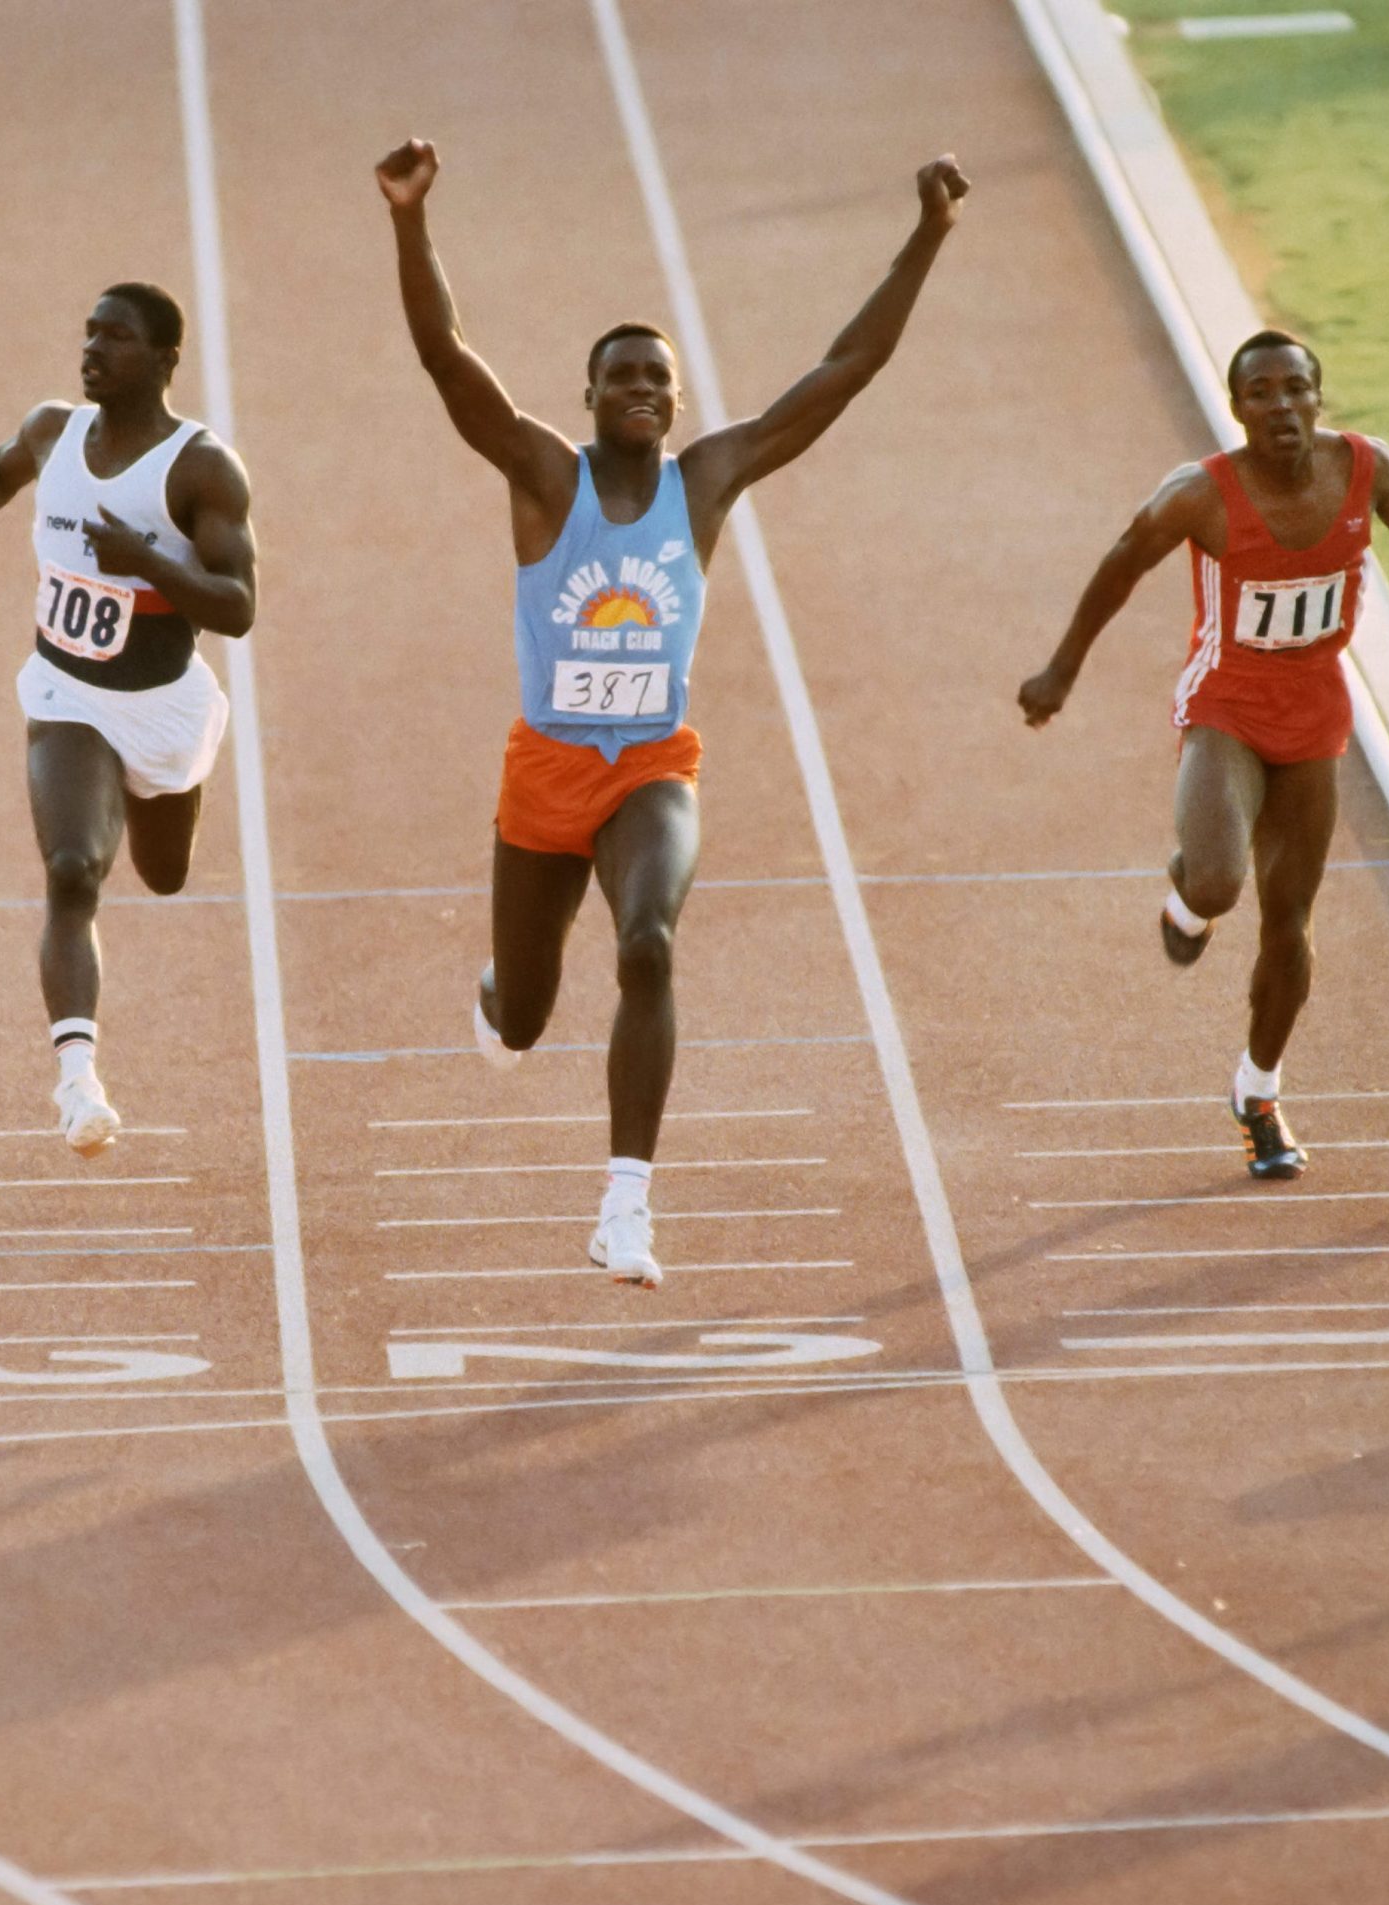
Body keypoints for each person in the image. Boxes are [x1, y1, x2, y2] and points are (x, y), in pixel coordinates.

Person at [377, 138, 969, 1286]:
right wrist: (409, 218)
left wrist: (927, 238)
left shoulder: (706, 481)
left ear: (677, 402)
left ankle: (626, 1206)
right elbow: (448, 361)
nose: (642, 391)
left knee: (647, 945)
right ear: (588, 397)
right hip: (545, 772)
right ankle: (498, 996)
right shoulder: (550, 480)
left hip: (653, 767)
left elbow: (842, 370)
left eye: (660, 379)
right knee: (525, 1019)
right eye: (621, 377)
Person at [1018, 330, 1389, 1177]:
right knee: (1217, 879)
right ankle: (1189, 897)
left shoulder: (1366, 469)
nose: (1280, 406)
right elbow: (1122, 563)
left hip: (1315, 714)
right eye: (1261, 394)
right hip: (1227, 706)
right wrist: (1062, 669)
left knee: (1289, 927)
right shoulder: (1199, 495)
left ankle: (1258, 1093)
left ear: (1319, 397)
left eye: (1295, 389)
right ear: (1237, 408)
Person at [0, 283, 257, 1157]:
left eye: (118, 337)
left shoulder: (200, 469)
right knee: (71, 869)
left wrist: (142, 562)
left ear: (166, 360)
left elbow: (238, 606)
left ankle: (143, 796)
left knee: (164, 875)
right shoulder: (53, 430)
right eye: (90, 333)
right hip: (67, 694)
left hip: (164, 706)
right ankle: (77, 1083)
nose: (93, 349)